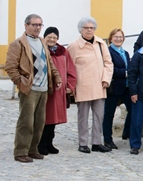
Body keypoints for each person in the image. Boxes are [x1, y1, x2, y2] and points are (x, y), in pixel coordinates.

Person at [6, 14, 62, 162]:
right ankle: (20, 152)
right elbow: (10, 67)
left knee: (39, 122)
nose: (37, 27)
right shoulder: (18, 44)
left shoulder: (42, 42)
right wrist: (21, 82)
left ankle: (32, 149)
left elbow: (49, 63)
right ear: (26, 26)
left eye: (40, 25)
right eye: (34, 24)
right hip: (29, 89)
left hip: (44, 88)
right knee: (26, 122)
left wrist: (56, 77)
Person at [68, 17, 114, 154]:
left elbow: (108, 63)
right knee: (83, 116)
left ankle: (96, 142)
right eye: (86, 28)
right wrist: (71, 85)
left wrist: (106, 78)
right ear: (80, 30)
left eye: (92, 28)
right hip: (82, 85)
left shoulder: (101, 43)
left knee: (99, 116)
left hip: (100, 85)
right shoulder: (73, 46)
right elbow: (69, 67)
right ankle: (83, 142)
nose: (89, 30)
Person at [38, 26, 76, 155]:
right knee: (45, 117)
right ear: (45, 37)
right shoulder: (41, 50)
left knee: (54, 118)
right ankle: (41, 143)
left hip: (59, 91)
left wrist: (70, 86)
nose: (52, 39)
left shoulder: (63, 51)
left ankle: (49, 142)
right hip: (46, 89)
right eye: (49, 37)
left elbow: (71, 70)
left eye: (55, 37)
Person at [103, 28, 133, 150]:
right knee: (109, 114)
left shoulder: (125, 52)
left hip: (126, 87)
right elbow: (109, 68)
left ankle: (126, 132)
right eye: (116, 37)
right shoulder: (108, 51)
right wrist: (125, 73)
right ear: (111, 38)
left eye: (120, 37)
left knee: (133, 109)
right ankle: (107, 139)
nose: (118, 39)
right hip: (114, 87)